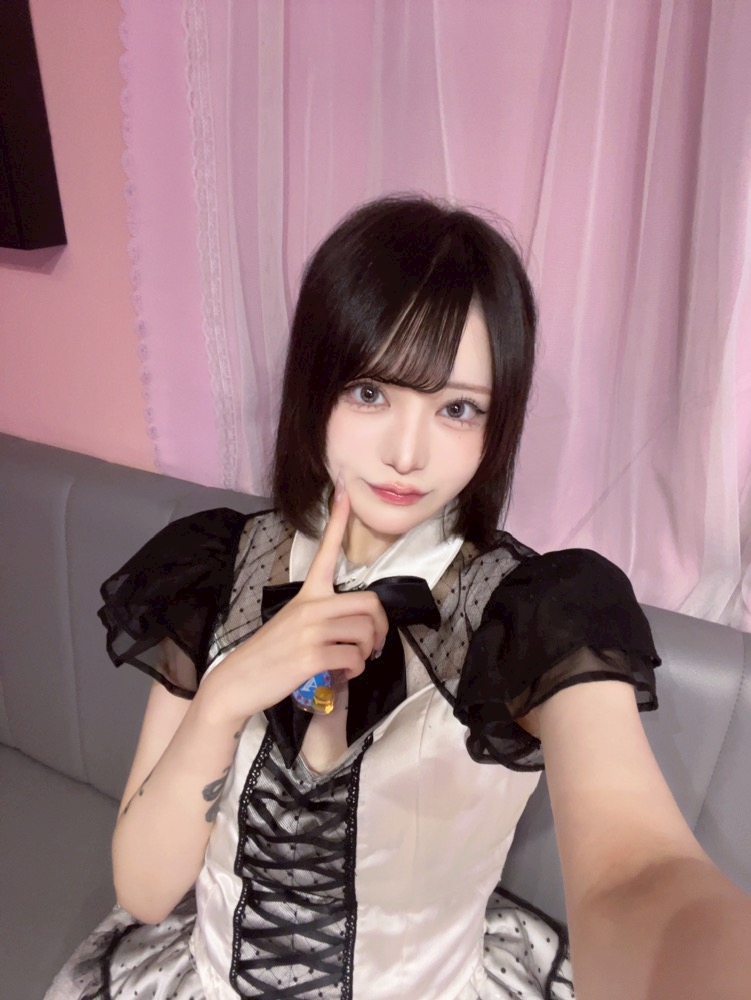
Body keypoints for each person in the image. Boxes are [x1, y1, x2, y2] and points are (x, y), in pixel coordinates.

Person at [46, 196, 750, 1000]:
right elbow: (144, 892)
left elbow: (638, 869)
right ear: (314, 385)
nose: (407, 453)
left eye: (457, 409)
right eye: (370, 393)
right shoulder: (214, 570)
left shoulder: (537, 614)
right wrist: (225, 695)